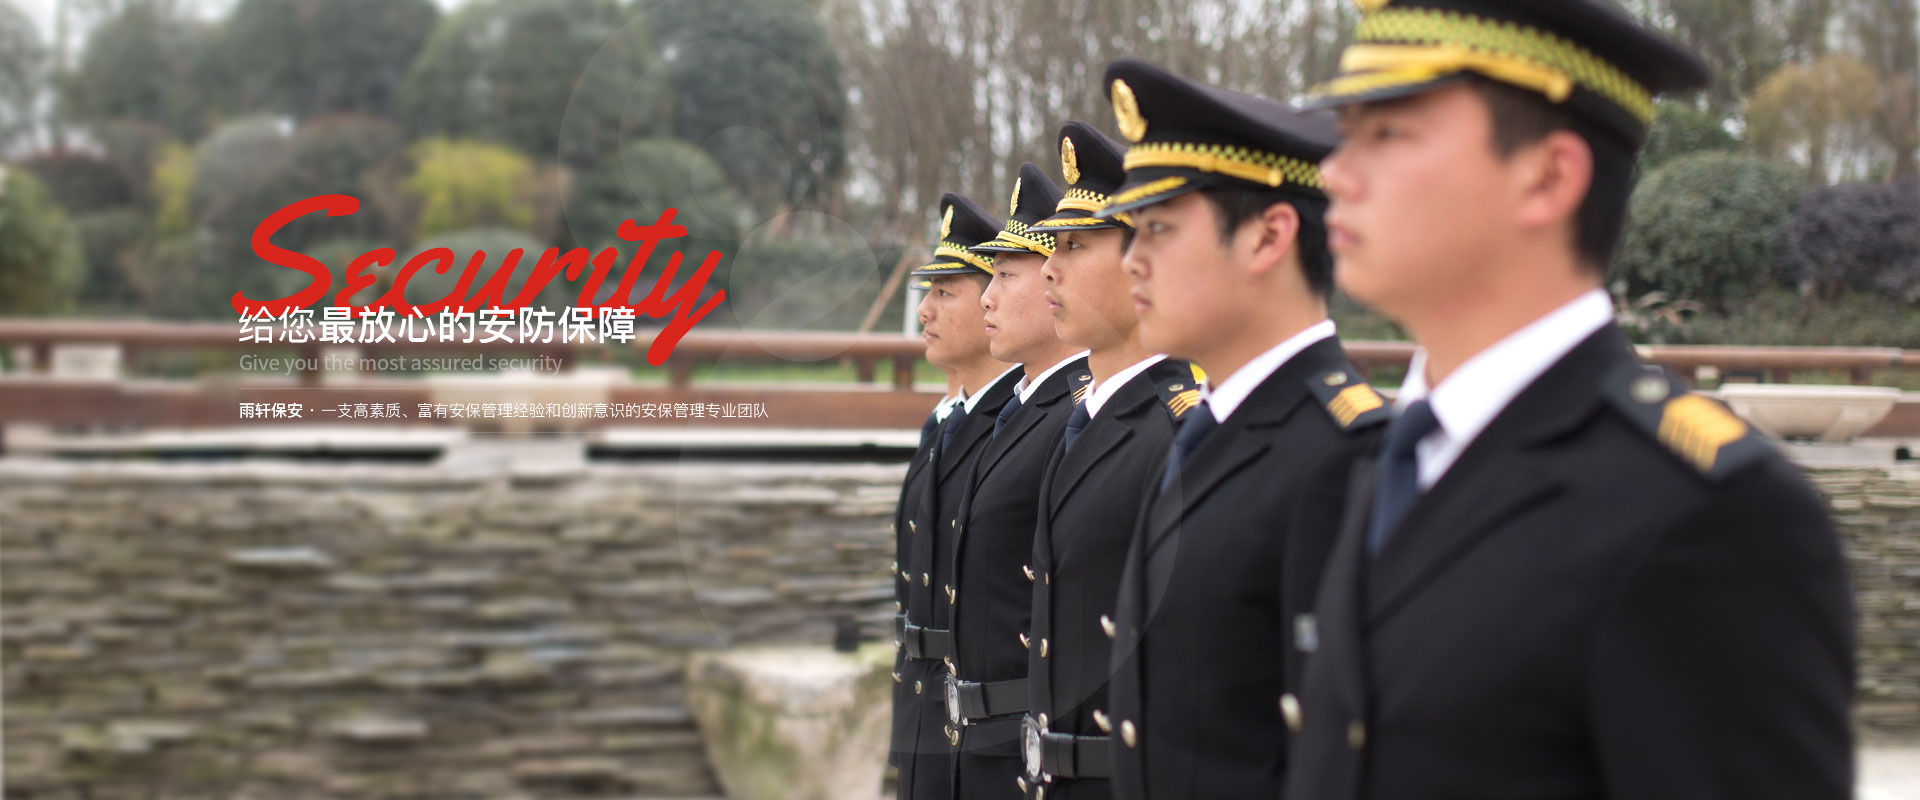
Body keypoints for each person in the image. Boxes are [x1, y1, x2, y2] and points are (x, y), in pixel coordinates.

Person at [1285, 1, 1855, 798]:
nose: (1334, 174)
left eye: (1388, 134)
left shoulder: (1701, 515)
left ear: (1549, 177)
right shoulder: (1404, 457)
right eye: (1346, 135)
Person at [1087, 58, 1391, 800]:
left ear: (1267, 236)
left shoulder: (1342, 455)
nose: (1131, 261)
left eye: (1159, 229)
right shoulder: (1208, 428)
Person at [1012, 120, 1203, 800]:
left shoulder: (1178, 432)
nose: (1050, 268)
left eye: (1075, 246)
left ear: (1142, 260)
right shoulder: (1084, 419)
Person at [943, 162, 1091, 798]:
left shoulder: (1075, 418)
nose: (987, 297)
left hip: (1022, 751)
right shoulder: (1020, 411)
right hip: (974, 736)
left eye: (1005, 276)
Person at [894, 192, 1024, 800]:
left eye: (946, 292)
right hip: (926, 706)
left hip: (979, 727)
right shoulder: (950, 422)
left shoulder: (1014, 426)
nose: (926, 310)